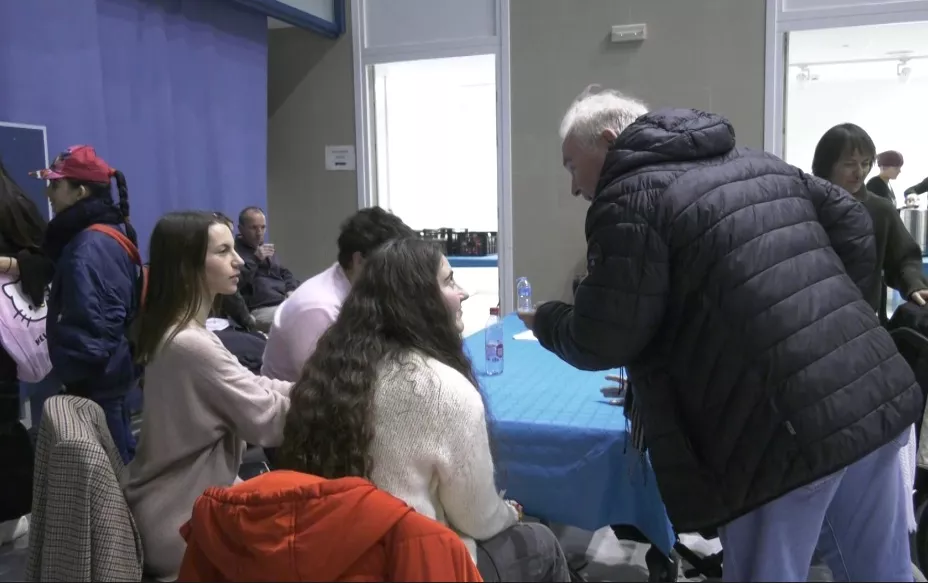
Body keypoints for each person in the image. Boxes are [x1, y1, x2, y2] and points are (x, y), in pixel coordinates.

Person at [518, 87, 920, 582]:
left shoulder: (629, 197)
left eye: (571, 166)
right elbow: (853, 220)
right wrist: (835, 318)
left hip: (777, 430)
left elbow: (605, 336)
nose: (574, 186)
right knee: (882, 571)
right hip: (870, 391)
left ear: (607, 140)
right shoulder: (757, 161)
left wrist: (548, 319)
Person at [276, 238, 570, 582]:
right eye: (448, 281)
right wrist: (509, 514)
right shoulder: (444, 390)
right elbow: (478, 520)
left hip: (327, 561)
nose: (463, 293)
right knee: (540, 541)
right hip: (412, 567)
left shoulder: (327, 371)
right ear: (417, 301)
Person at [122, 211, 293, 581]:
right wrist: (333, 397)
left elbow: (255, 386)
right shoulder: (190, 344)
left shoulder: (181, 331)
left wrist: (312, 389)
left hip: (173, 504)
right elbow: (268, 421)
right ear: (188, 266)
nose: (238, 261)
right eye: (223, 251)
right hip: (181, 520)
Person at [32, 145, 142, 463]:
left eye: (56, 185)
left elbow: (98, 329)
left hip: (97, 386)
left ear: (80, 192)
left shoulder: (88, 247)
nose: (49, 193)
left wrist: (77, 377)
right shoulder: (104, 234)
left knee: (109, 474)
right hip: (108, 380)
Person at [261, 206, 415, 382]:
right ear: (359, 260)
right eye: (391, 265)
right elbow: (327, 386)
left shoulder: (357, 286)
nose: (397, 275)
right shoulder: (318, 308)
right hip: (299, 396)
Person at [812, 125, 928, 317]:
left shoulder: (880, 209)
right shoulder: (804, 204)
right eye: (849, 164)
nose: (860, 172)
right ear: (827, 165)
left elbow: (904, 259)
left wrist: (915, 285)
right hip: (809, 316)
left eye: (865, 163)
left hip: (862, 319)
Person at [0, 159, 54, 545]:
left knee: (4, 427)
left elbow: (45, 263)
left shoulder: (13, 205)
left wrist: (5, 264)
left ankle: (10, 515)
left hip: (5, 338)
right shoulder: (15, 203)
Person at [235, 207, 299, 332]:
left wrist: (291, 289)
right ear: (241, 229)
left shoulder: (264, 247)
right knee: (299, 319)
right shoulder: (234, 252)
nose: (259, 233)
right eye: (253, 228)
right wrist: (255, 259)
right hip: (260, 308)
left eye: (263, 227)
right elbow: (236, 283)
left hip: (283, 301)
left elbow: (284, 272)